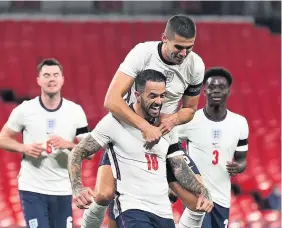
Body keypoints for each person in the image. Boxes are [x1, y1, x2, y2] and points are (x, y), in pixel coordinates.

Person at [88, 14, 206, 227]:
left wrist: (173, 120)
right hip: (128, 132)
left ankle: (168, 186)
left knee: (201, 195)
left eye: (189, 47)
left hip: (165, 139)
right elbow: (111, 100)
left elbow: (190, 109)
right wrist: (144, 126)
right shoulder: (142, 53)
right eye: (179, 47)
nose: (184, 53)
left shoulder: (195, 65)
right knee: (105, 194)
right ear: (164, 38)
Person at [68, 69, 213, 228]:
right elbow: (78, 152)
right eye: (152, 96)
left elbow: (179, 168)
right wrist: (77, 187)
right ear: (137, 95)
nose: (158, 101)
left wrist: (202, 190)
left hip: (163, 212)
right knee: (104, 195)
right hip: (131, 208)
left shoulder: (166, 126)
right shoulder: (114, 122)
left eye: (162, 96)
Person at [0, 59, 89, 228]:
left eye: (55, 75)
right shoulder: (24, 110)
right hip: (32, 188)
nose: (51, 79)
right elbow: (2, 138)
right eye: (46, 75)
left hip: (63, 189)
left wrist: (68, 144)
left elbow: (90, 152)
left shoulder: (75, 111)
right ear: (38, 80)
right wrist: (22, 147)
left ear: (62, 79)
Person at [176, 68, 249, 228]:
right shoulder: (190, 120)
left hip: (222, 197)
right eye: (211, 87)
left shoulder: (239, 123)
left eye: (221, 87)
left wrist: (238, 167)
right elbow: (169, 145)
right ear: (205, 91)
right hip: (197, 195)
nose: (216, 90)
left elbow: (242, 160)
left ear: (228, 91)